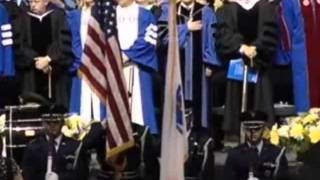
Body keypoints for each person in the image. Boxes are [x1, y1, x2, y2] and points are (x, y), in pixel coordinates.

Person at [216, 0, 278, 134]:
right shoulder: (227, 9)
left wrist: (256, 47)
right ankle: (237, 135)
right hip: (237, 63)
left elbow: (269, 34)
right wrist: (241, 47)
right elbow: (224, 34)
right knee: (236, 97)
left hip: (260, 63)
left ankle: (262, 134)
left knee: (261, 97)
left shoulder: (266, 7)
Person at [158, 0, 220, 129]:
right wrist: (186, 27)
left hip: (200, 69)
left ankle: (200, 137)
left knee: (201, 104)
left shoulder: (206, 12)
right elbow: (163, 38)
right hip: (175, 68)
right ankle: (176, 137)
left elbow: (212, 39)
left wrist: (210, 63)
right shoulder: (169, 11)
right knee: (176, 103)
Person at [15, 0, 73, 109]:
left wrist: (49, 59)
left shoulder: (58, 16)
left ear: (46, 1)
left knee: (56, 112)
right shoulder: (22, 17)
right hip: (31, 74)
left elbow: (63, 43)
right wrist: (36, 60)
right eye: (31, 2)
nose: (32, 5)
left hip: (54, 74)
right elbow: (20, 45)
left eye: (36, 2)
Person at [116, 0, 159, 134]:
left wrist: (126, 56)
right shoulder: (108, 14)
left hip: (138, 68)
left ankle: (143, 143)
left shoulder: (146, 15)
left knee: (140, 112)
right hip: (113, 68)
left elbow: (148, 39)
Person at [21, 105, 89, 180]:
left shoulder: (75, 146)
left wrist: (59, 177)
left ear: (62, 122)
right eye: (48, 122)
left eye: (56, 122)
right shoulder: (32, 147)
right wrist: (44, 177)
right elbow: (28, 174)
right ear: (42, 123)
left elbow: (82, 174)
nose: (52, 125)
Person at [224, 112, 289, 180]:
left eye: (257, 129)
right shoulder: (234, 155)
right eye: (249, 129)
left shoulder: (276, 153)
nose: (253, 132)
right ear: (244, 130)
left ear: (263, 129)